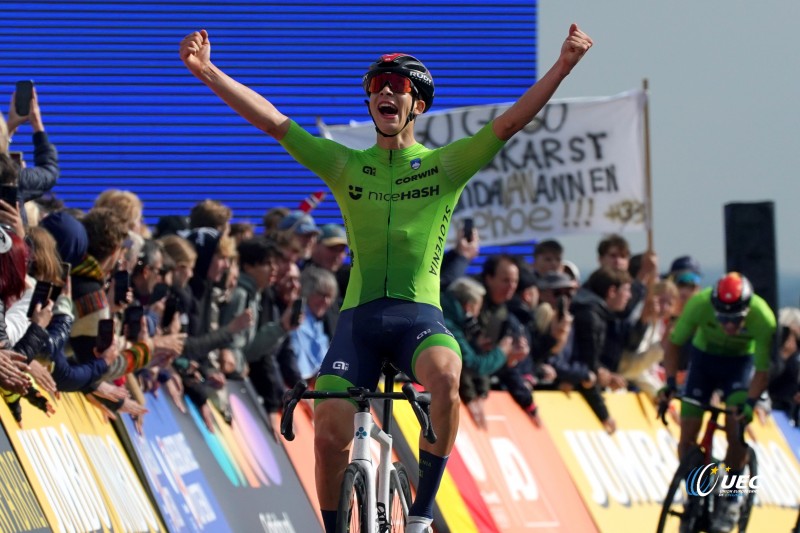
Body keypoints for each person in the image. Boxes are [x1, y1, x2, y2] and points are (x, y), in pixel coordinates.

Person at [180, 23, 592, 533]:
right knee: (329, 432)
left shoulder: (445, 166)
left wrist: (564, 64)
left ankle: (420, 515)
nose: (386, 92)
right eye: (377, 86)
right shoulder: (345, 165)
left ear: (417, 105)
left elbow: (509, 124)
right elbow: (274, 122)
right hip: (358, 323)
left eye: (398, 86)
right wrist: (207, 72)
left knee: (445, 376)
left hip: (418, 319)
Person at [659, 272, 776, 533]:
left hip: (739, 366)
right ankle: (694, 493)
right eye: (722, 318)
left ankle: (732, 497)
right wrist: (669, 383)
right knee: (687, 436)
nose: (729, 326)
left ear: (747, 309)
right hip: (704, 361)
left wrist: (750, 404)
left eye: (735, 320)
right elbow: (673, 345)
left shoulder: (763, 318)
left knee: (736, 430)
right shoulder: (699, 304)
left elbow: (762, 371)